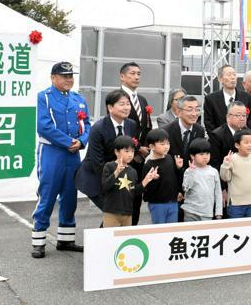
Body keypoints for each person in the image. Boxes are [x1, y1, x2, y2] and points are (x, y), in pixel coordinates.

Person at [31, 61, 91, 259]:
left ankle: (66, 239)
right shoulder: (44, 97)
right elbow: (44, 126)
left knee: (69, 196)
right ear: (53, 77)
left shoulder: (78, 99)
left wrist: (81, 142)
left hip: (73, 154)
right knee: (47, 194)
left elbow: (87, 125)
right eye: (64, 76)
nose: (69, 79)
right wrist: (68, 142)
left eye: (70, 76)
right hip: (52, 153)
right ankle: (38, 240)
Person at [75, 90, 139, 211]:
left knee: (119, 213)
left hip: (118, 175)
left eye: (128, 104)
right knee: (114, 211)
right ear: (110, 107)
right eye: (121, 104)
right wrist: (112, 183)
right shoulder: (98, 128)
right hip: (95, 178)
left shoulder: (131, 125)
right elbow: (97, 162)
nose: (126, 107)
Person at [120, 62, 153, 225]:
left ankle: (132, 230)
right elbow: (121, 128)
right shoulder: (116, 97)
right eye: (132, 73)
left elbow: (147, 127)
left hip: (140, 158)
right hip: (124, 157)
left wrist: (145, 148)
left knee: (136, 197)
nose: (136, 77)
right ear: (122, 76)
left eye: (138, 74)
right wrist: (137, 148)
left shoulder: (142, 99)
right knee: (122, 198)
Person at [100, 136, 159, 227]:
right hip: (111, 212)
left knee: (125, 240)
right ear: (117, 152)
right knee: (110, 239)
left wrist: (146, 180)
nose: (130, 154)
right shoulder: (109, 166)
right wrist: (116, 172)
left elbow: (134, 192)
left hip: (127, 213)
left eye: (132, 151)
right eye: (126, 151)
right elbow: (105, 187)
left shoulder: (132, 171)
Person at [208, 101, 249, 214]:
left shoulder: (248, 134)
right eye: (238, 115)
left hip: (245, 188)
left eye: (244, 115)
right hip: (227, 186)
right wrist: (222, 189)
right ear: (228, 117)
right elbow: (214, 164)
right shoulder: (217, 135)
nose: (242, 118)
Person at [141, 129, 184, 224]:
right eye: (162, 144)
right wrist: (153, 179)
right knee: (159, 230)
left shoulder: (170, 158)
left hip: (173, 201)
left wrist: (179, 168)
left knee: (172, 229)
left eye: (168, 143)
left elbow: (175, 178)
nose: (166, 147)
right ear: (152, 146)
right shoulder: (148, 165)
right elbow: (146, 189)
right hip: (157, 204)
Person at [220, 129, 251, 218]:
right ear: (237, 145)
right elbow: (225, 177)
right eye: (246, 142)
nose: (250, 145)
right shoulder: (232, 158)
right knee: (237, 229)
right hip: (236, 204)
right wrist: (225, 164)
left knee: (249, 229)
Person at [203, 65, 251, 133]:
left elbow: (250, 120)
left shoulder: (246, 97)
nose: (233, 77)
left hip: (241, 139)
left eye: (234, 74)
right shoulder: (210, 99)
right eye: (229, 75)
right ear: (220, 79)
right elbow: (209, 123)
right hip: (219, 140)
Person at [181, 138, 223, 221]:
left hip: (207, 212)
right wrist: (191, 172)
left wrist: (218, 212)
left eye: (207, 153)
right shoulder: (189, 170)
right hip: (190, 211)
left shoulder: (213, 172)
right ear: (192, 156)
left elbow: (218, 193)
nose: (205, 157)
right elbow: (185, 188)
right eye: (201, 154)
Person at [162, 95, 206, 168]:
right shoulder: (166, 131)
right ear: (179, 112)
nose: (194, 114)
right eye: (189, 110)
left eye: (197, 109)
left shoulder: (200, 130)